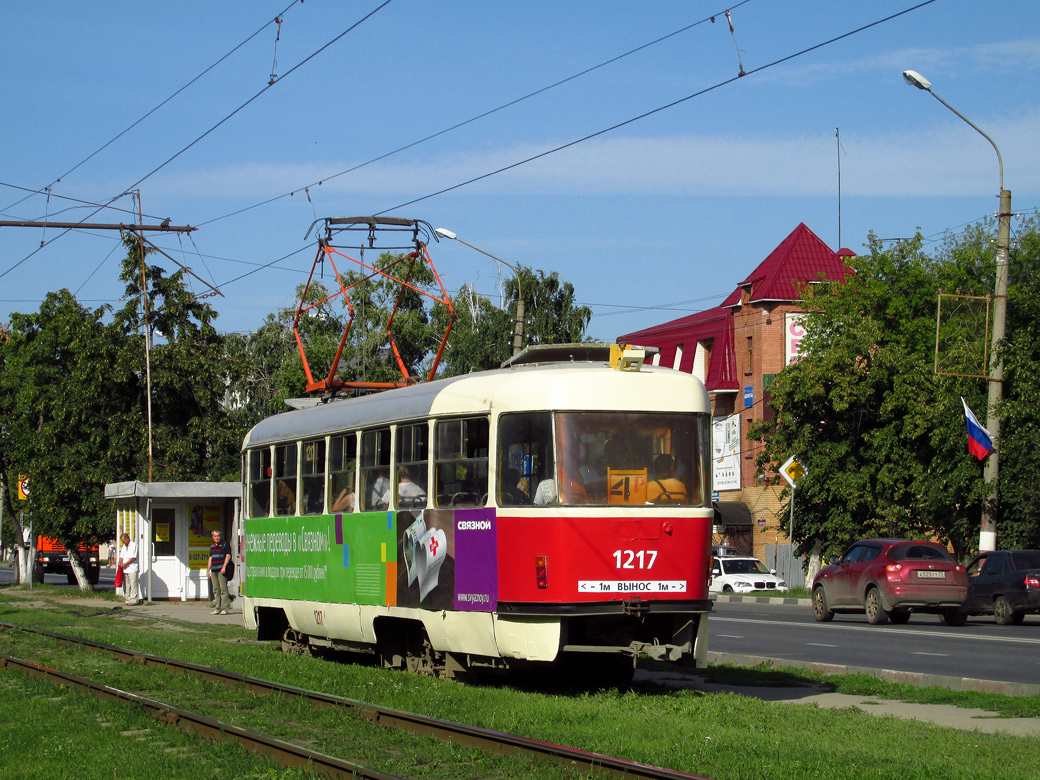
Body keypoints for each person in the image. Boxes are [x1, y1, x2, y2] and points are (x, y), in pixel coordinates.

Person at [209, 529, 232, 615]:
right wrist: (208, 570)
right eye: (215, 536)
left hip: (221, 570)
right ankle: (217, 608)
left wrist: (224, 567)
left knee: (223, 589)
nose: (217, 538)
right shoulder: (212, 546)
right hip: (214, 570)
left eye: (218, 536)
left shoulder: (224, 544)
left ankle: (225, 608)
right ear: (212, 537)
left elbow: (228, 556)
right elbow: (210, 558)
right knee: (216, 590)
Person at [116, 533, 140, 605]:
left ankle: (134, 600)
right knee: (127, 585)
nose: (123, 542)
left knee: (133, 584)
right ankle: (127, 599)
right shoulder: (124, 546)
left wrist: (125, 564)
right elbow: (122, 556)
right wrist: (120, 562)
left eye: (124, 541)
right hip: (125, 569)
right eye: (122, 541)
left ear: (127, 539)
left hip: (132, 568)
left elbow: (133, 558)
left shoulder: (133, 545)